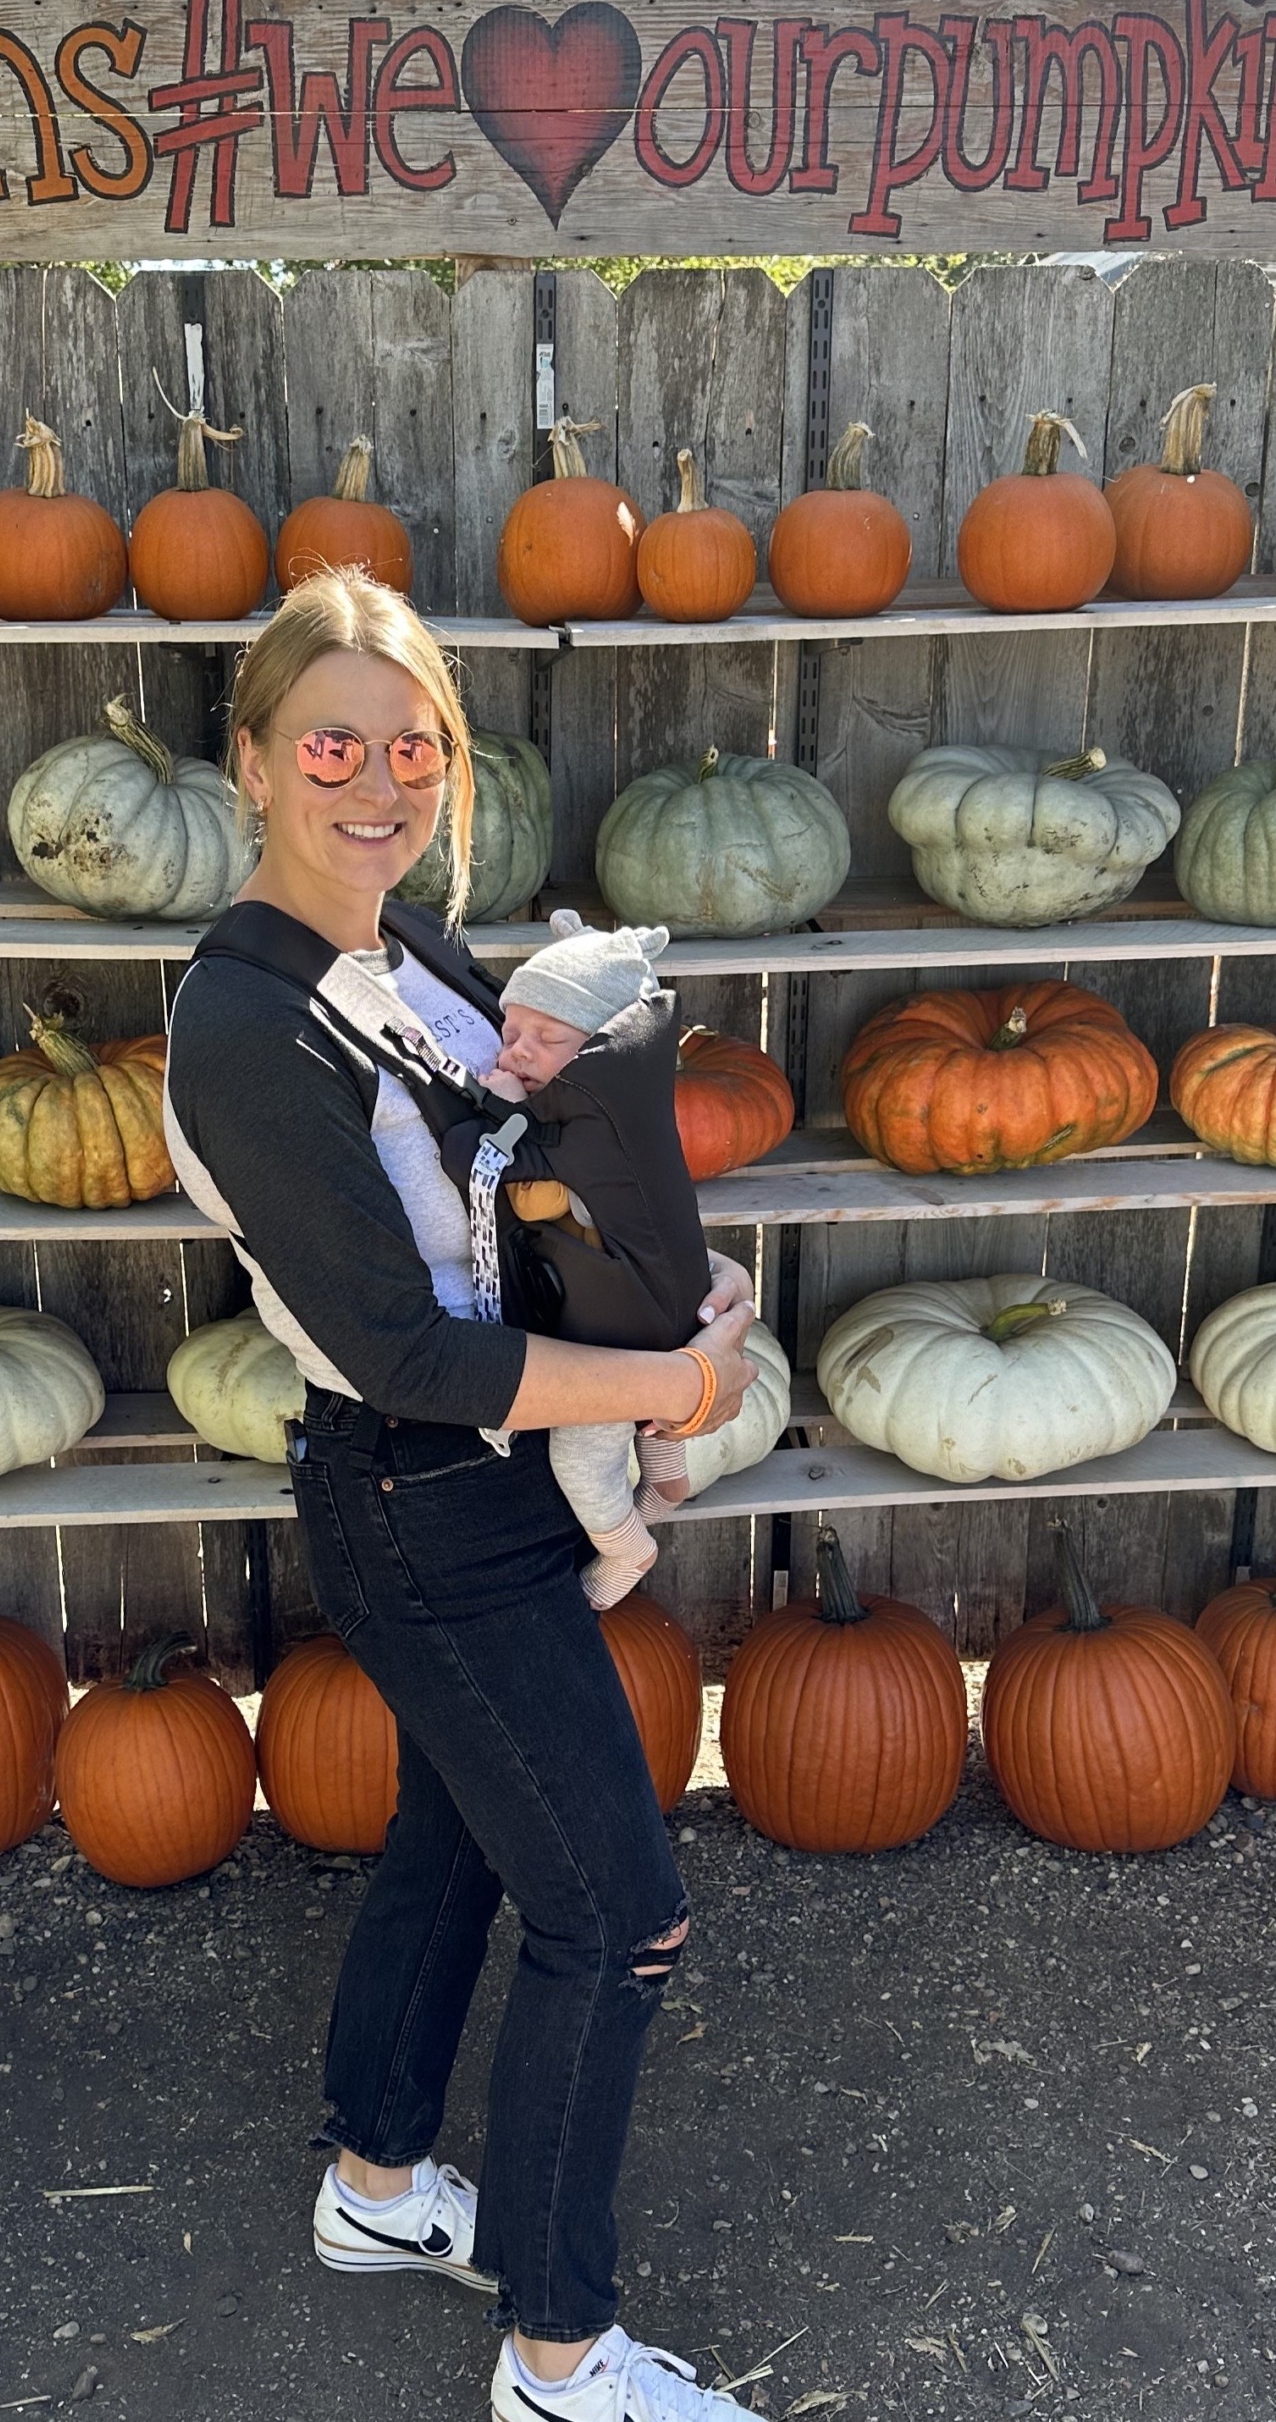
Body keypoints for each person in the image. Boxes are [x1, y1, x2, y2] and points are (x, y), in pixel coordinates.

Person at [161, 569, 766, 2422]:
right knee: (620, 1915)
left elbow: (520, 1191)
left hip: (496, 1477)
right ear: (253, 759)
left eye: (411, 743)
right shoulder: (244, 1033)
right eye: (331, 740)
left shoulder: (412, 953)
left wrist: (681, 1293)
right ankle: (561, 2363)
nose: (377, 779)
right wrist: (672, 1384)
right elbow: (411, 1356)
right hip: (421, 1494)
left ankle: (378, 2186)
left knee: (462, 1838)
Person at [462, 908, 713, 1607]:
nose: (516, 1052)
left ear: (603, 1045)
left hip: (612, 1338)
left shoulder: (588, 1124)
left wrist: (497, 1105)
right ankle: (666, 1482)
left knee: (582, 1455)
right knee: (654, 1412)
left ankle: (624, 1547)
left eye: (547, 1038)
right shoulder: (621, 1108)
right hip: (662, 1307)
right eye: (511, 1033)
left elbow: (513, 1184)